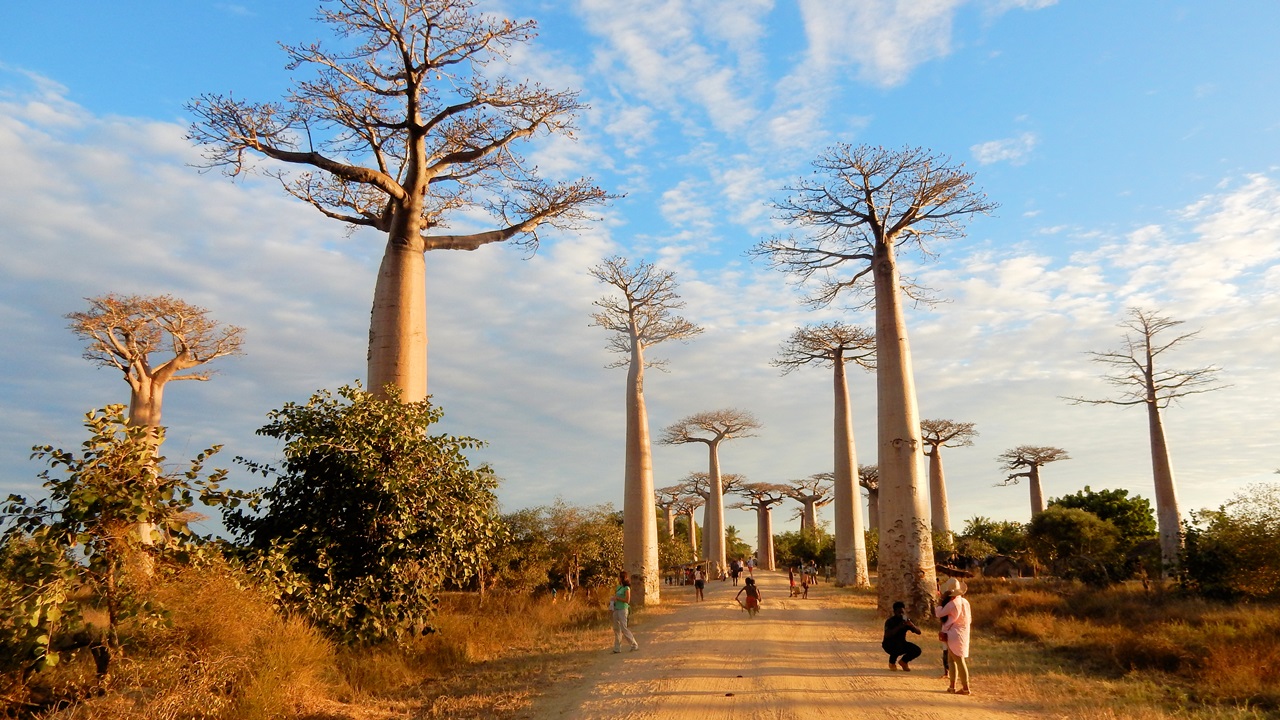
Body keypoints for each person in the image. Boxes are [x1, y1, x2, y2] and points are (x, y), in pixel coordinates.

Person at [935, 577, 972, 695]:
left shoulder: (952, 604)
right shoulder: (965, 602)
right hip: (964, 632)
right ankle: (952, 686)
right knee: (953, 660)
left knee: (958, 660)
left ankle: (965, 687)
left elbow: (939, 613)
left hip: (953, 633)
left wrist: (940, 601)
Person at [882, 601, 923, 671]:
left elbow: (919, 632)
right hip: (889, 644)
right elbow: (887, 635)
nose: (901, 614)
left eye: (902, 612)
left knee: (917, 650)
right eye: (899, 612)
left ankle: (904, 661)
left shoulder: (905, 621)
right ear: (894, 612)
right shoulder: (890, 621)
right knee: (897, 646)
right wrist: (899, 627)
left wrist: (911, 625)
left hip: (901, 643)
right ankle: (892, 663)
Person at [610, 571, 640, 653]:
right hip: (616, 609)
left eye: (619, 577)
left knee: (624, 628)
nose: (618, 578)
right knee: (616, 628)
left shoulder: (627, 588)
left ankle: (634, 644)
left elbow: (627, 600)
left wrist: (618, 598)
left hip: (623, 609)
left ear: (622, 578)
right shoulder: (618, 587)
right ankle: (617, 648)